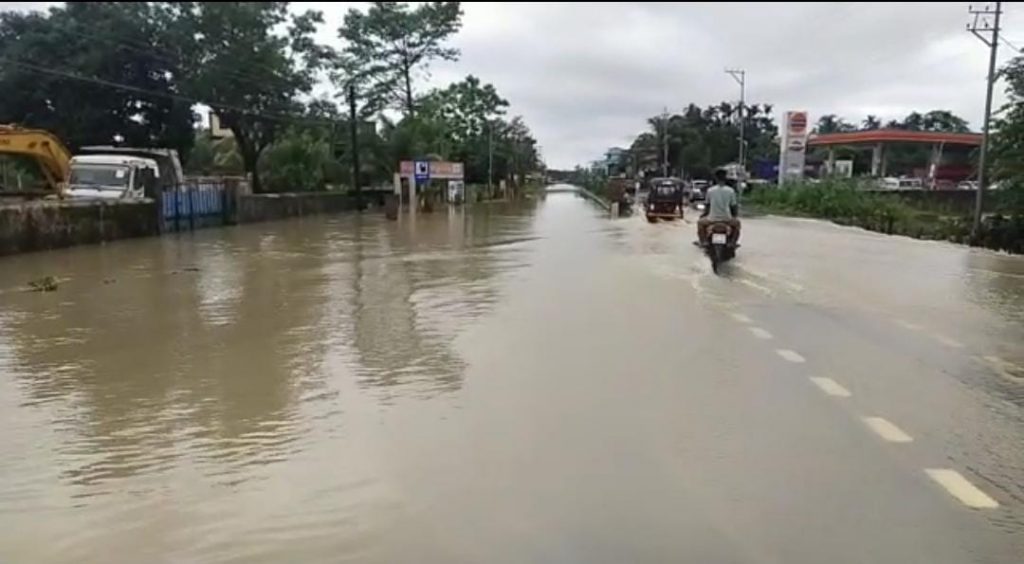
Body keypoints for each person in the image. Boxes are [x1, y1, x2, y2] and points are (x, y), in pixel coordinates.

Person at [697, 169, 740, 246]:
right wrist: (735, 215)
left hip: (712, 219)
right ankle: (732, 242)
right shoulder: (730, 191)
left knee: (700, 223)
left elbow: (707, 206)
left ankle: (704, 241)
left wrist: (703, 215)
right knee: (737, 225)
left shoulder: (710, 191)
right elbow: (734, 206)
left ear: (716, 178)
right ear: (725, 178)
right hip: (727, 219)